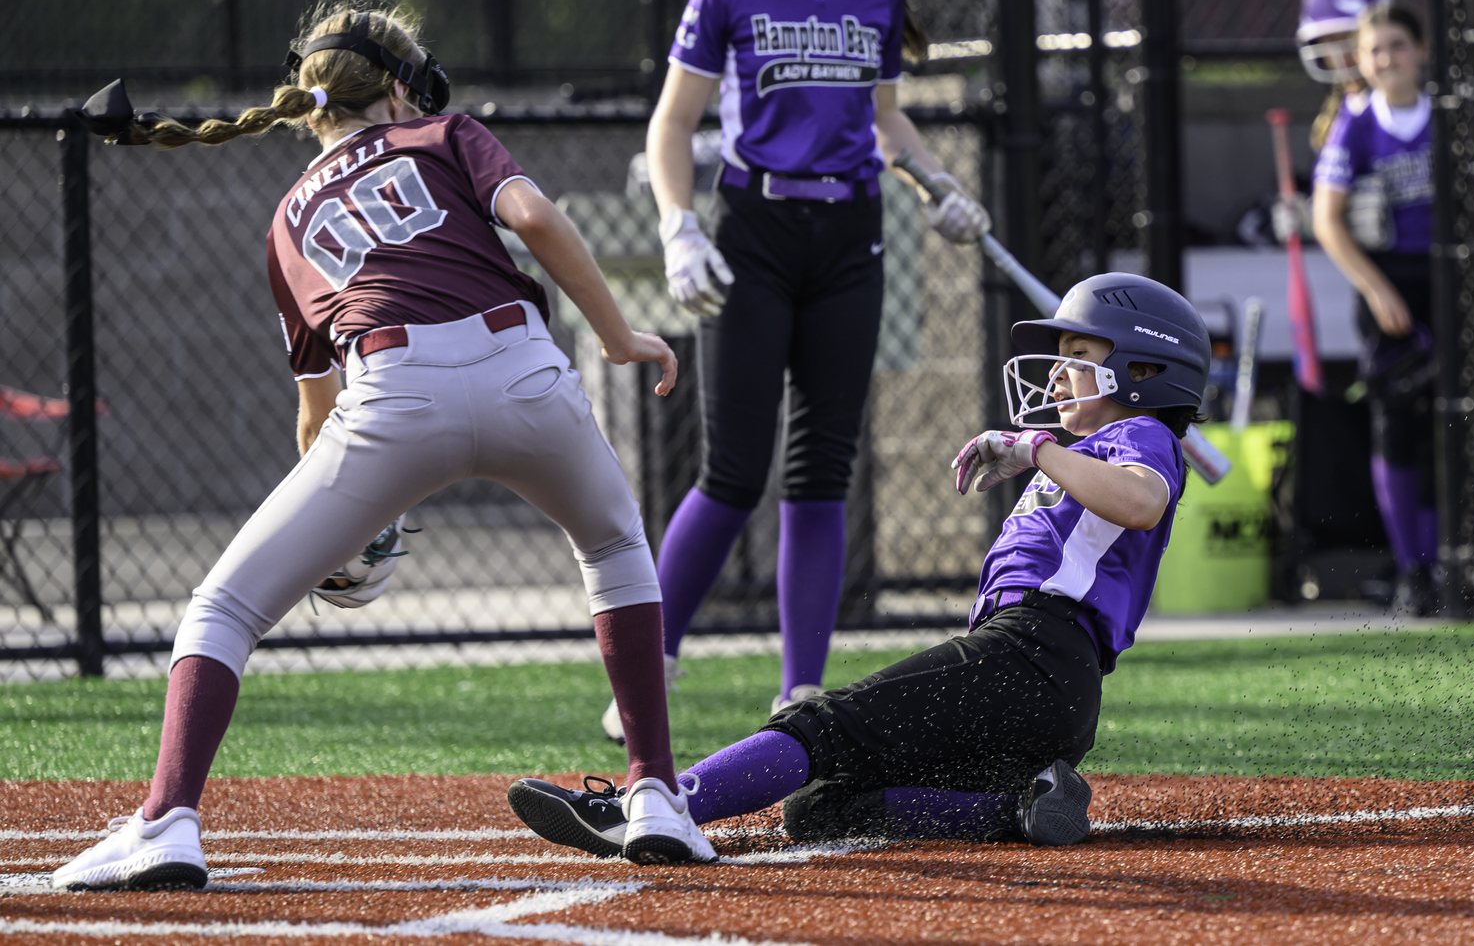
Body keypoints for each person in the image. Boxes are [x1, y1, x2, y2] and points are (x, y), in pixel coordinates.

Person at [52, 4, 717, 891]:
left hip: (393, 391)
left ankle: (168, 821)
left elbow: (315, 411)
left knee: (222, 610)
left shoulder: (288, 215)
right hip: (525, 369)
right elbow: (537, 218)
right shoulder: (444, 131)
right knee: (617, 550)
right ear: (400, 88)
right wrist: (620, 333)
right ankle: (655, 794)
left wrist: (350, 532)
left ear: (308, 105)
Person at [513, 272, 1208, 853]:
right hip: (1041, 688)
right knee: (819, 808)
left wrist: (1038, 451)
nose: (1057, 373)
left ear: (1142, 372)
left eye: (1079, 353)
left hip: (1033, 656)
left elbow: (1141, 502)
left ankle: (657, 805)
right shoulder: (1088, 447)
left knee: (822, 723)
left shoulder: (1139, 433)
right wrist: (1047, 454)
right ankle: (1022, 806)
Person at [598, 0, 991, 742]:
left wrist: (937, 185)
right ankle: (650, 663)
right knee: (731, 470)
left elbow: (885, 118)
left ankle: (800, 689)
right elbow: (672, 124)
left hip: (851, 235)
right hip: (755, 229)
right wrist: (678, 228)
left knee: (822, 469)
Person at [1311, 2, 1439, 617]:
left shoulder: (1450, 115)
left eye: (1398, 45)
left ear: (1420, 50)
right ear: (1360, 62)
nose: (1388, 59)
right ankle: (1415, 570)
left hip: (1451, 282)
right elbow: (1327, 220)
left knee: (1457, 421)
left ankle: (1455, 557)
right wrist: (1378, 289)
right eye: (1375, 50)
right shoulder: (1357, 123)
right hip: (1389, 287)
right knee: (1396, 422)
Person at [1296, 0, 1391, 154]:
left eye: (1351, 37)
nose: (1342, 52)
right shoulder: (1334, 116)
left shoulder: (1408, 103)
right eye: (1331, 39)